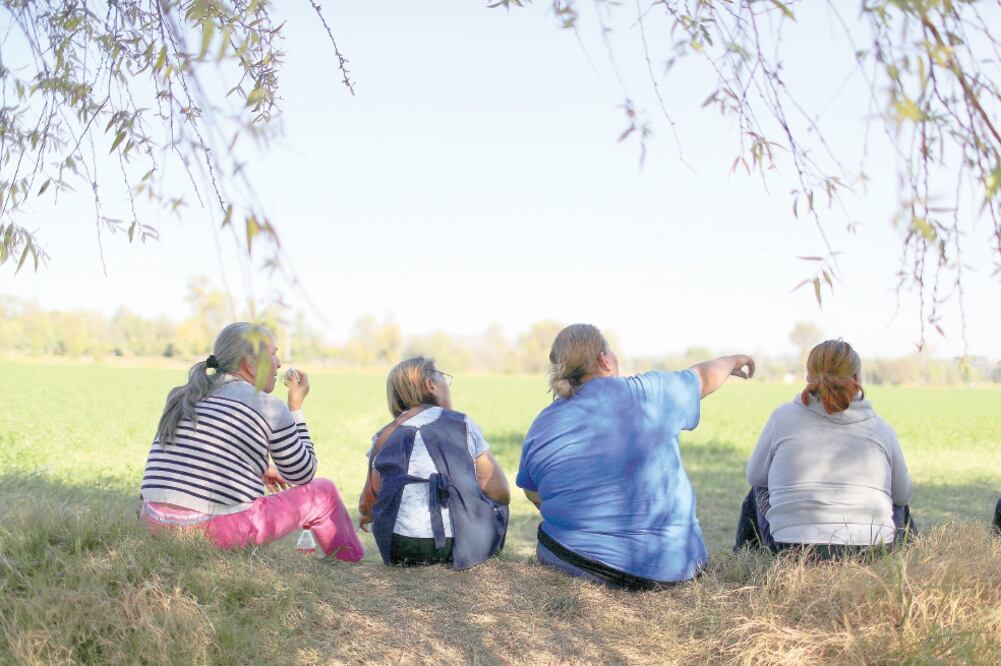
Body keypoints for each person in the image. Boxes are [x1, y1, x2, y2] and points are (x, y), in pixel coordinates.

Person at [516, 323, 755, 590]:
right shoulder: (649, 392)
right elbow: (703, 377)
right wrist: (734, 360)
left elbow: (531, 491)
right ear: (604, 360)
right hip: (675, 566)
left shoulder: (542, 425)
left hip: (578, 563)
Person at [139, 322, 364, 561]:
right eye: (273, 354)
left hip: (153, 522)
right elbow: (302, 474)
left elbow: (198, 453)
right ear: (252, 364)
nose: (279, 363)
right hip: (214, 531)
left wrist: (261, 468)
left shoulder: (182, 394)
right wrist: (295, 408)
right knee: (324, 491)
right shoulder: (268, 405)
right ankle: (349, 559)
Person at [734, 339, 915, 560]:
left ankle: (745, 562)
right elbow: (903, 495)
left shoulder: (782, 417)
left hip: (792, 549)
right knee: (899, 504)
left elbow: (755, 475)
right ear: (857, 379)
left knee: (757, 491)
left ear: (808, 378)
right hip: (870, 552)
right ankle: (911, 569)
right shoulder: (881, 428)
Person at [358, 356, 510, 568]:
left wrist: (366, 515)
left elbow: (368, 501)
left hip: (399, 547)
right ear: (431, 386)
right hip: (455, 546)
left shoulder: (383, 436)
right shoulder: (463, 424)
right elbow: (499, 491)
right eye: (444, 378)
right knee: (500, 506)